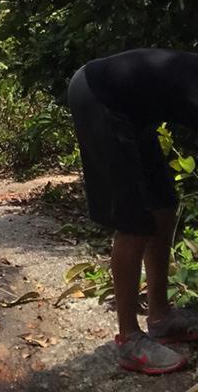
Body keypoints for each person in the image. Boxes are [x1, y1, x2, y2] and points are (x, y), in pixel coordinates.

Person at [69, 49, 198, 374]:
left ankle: (160, 317)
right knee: (135, 221)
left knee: (164, 206)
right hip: (99, 95)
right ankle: (129, 340)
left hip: (133, 108)